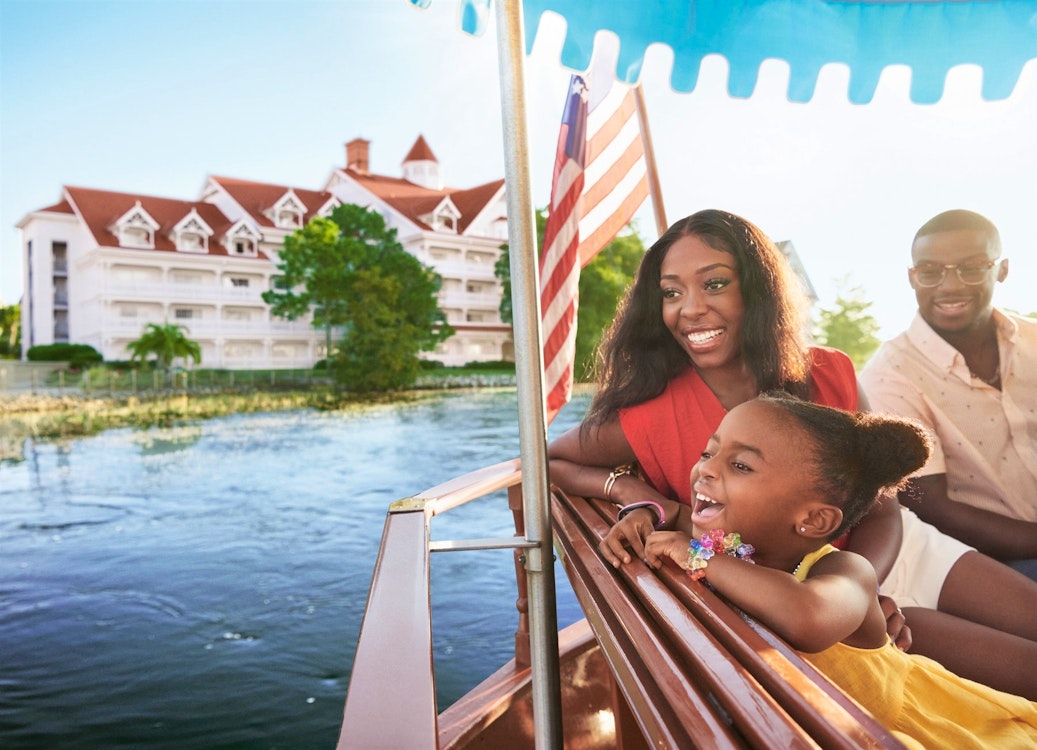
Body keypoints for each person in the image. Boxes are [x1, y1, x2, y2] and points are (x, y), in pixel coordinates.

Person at [547, 209, 1037, 699]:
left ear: (757, 291)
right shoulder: (649, 413)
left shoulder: (829, 371)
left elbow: (883, 504)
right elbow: (550, 461)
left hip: (879, 556)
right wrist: (629, 490)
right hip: (793, 590)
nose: (690, 308)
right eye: (671, 292)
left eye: (714, 284)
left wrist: (866, 586)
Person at [643, 394, 1037, 749]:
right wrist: (644, 516)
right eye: (707, 453)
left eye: (741, 465)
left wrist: (696, 556)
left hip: (917, 731)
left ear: (814, 520)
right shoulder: (733, 552)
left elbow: (806, 617)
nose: (705, 471)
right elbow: (677, 515)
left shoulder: (847, 571)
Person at [860, 209, 1037, 585]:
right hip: (997, 562)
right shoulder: (889, 374)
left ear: (1001, 269)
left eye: (972, 268)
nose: (950, 286)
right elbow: (931, 505)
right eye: (931, 271)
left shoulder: (1033, 340)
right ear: (913, 277)